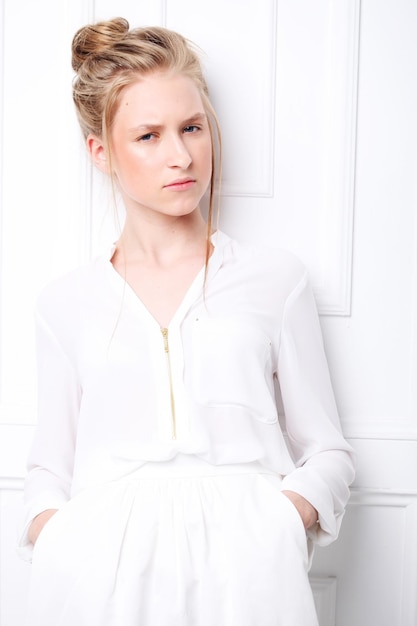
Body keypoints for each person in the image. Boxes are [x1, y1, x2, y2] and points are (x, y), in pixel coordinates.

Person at [19, 17, 355, 626]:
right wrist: (59, 536)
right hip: (100, 582)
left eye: (192, 128)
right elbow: (49, 466)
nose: (181, 156)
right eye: (148, 135)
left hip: (249, 579)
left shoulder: (276, 280)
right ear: (102, 152)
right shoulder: (64, 303)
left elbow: (327, 449)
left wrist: (281, 522)